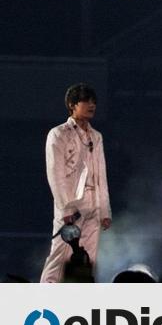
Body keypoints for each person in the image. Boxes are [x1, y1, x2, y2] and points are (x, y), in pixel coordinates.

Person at [41, 83, 111, 283]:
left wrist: (105, 211)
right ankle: (42, 296)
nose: (92, 105)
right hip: (72, 202)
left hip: (93, 201)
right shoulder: (58, 133)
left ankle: (81, 296)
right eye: (86, 101)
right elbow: (55, 173)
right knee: (60, 255)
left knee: (88, 258)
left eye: (94, 102)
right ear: (72, 105)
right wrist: (66, 207)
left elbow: (101, 174)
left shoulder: (96, 137)